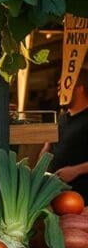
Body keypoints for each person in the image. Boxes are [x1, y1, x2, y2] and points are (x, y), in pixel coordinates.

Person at [43, 68, 88, 200]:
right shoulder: (60, 118)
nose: (58, 91)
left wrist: (76, 170)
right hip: (54, 196)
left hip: (81, 200)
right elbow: (48, 148)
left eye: (62, 86)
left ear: (80, 88)